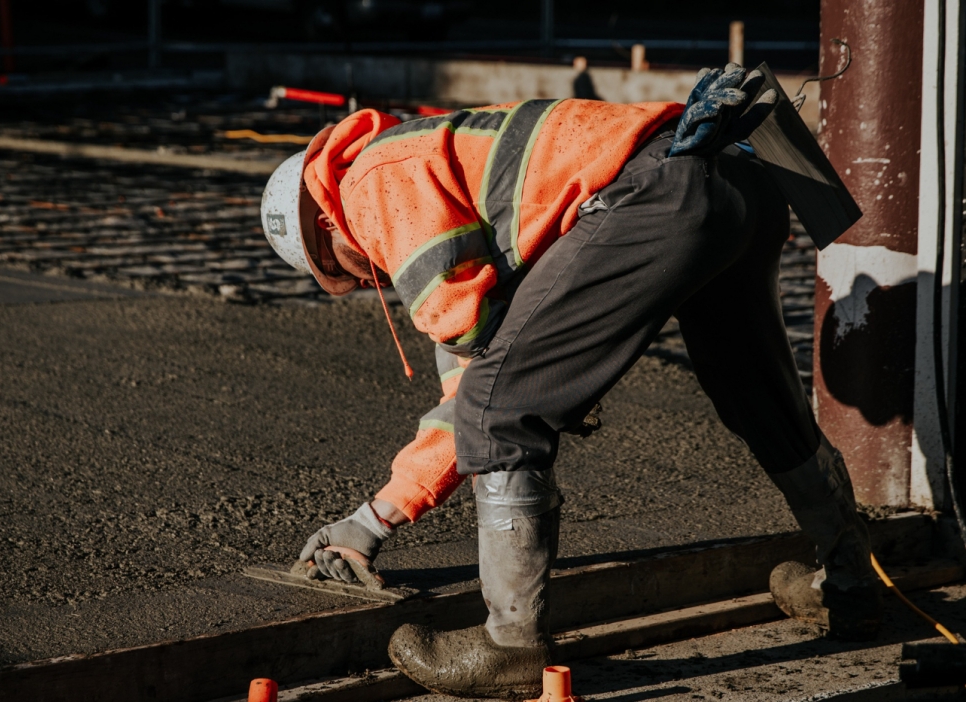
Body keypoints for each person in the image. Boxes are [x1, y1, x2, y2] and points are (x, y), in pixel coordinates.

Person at [258, 65, 882, 700]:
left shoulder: (374, 187)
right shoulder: (432, 156)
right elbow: (482, 356)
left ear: (324, 225)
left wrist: (372, 520)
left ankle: (510, 644)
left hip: (658, 190)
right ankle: (851, 581)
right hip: (735, 178)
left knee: (500, 411)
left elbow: (479, 388)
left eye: (339, 269)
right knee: (760, 398)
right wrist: (377, 518)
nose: (365, 280)